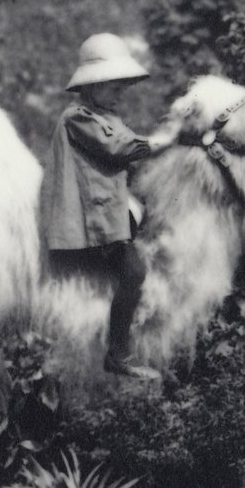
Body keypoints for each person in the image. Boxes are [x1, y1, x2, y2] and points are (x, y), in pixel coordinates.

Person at [40, 33, 178, 379]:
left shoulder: (104, 116)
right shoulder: (79, 116)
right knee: (134, 272)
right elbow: (120, 149)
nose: (119, 92)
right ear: (90, 86)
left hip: (107, 210)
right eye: (112, 85)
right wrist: (168, 139)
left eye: (122, 86)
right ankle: (118, 353)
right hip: (92, 217)